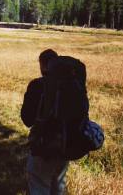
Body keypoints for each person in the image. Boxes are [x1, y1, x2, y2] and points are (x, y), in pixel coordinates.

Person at [21, 49, 89, 195]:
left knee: (39, 185)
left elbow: (27, 120)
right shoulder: (72, 86)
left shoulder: (37, 85)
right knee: (58, 186)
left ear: (42, 65)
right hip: (67, 144)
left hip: (42, 146)